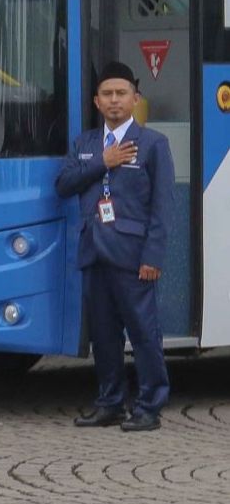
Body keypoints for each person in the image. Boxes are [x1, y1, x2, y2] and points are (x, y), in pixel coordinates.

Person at [56, 61, 173, 432]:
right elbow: (64, 185)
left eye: (121, 93)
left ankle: (150, 406)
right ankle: (110, 403)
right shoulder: (86, 144)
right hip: (94, 252)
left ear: (135, 98)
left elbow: (162, 206)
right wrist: (102, 163)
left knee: (142, 332)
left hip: (133, 256)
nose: (114, 101)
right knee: (103, 336)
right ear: (96, 101)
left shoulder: (153, 144)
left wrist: (153, 256)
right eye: (107, 94)